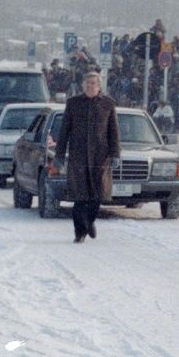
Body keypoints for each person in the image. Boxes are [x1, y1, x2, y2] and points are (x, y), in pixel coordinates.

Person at [54, 71, 121, 242]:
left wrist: (115, 154)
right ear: (83, 86)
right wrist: (59, 155)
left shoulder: (108, 104)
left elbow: (114, 132)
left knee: (97, 196)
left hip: (100, 158)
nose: (90, 86)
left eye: (93, 83)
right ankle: (79, 233)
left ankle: (90, 221)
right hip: (78, 157)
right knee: (79, 197)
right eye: (88, 83)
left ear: (99, 86)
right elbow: (64, 132)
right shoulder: (73, 103)